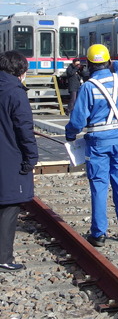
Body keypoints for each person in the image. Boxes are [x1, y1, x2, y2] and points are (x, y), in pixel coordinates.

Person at [65, 44, 118, 247]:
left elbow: (78, 120)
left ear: (88, 64)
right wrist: (115, 62)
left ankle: (99, 234)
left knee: (99, 185)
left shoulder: (88, 87)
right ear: (108, 61)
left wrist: (70, 134)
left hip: (98, 143)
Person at [0, 51, 38, 272]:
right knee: (9, 206)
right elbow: (25, 129)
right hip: (10, 156)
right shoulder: (16, 93)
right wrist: (31, 157)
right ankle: (4, 257)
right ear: (20, 72)